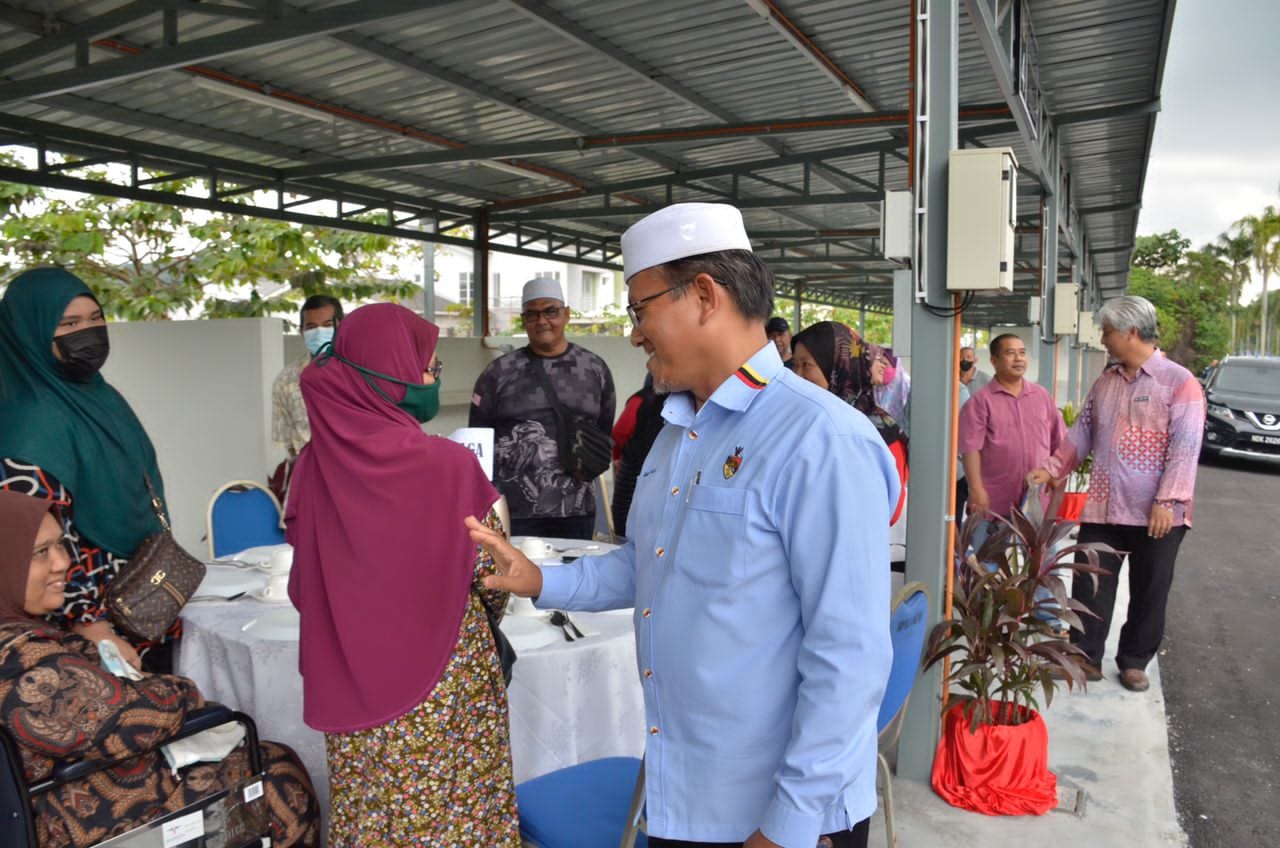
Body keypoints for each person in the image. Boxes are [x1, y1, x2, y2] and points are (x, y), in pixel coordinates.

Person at [467, 202, 898, 848]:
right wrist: (539, 580)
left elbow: (849, 657)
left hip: (777, 818)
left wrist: (788, 827)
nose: (635, 333)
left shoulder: (819, 440)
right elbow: (647, 562)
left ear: (703, 296)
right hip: (684, 797)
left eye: (641, 310)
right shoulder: (676, 432)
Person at [285, 303, 519, 846]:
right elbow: (494, 576)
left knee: (373, 820)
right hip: (443, 686)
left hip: (348, 681)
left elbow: (305, 586)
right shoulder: (450, 466)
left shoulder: (312, 466)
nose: (436, 378)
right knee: (458, 822)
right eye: (429, 366)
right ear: (388, 375)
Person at [0, 491, 320, 848]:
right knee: (277, 771)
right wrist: (182, 691)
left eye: (60, 545)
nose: (63, 562)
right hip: (84, 819)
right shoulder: (19, 660)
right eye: (41, 552)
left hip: (57, 797)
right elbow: (133, 721)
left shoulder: (19, 634)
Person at [0, 267, 178, 673]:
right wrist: (92, 625)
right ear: (29, 333)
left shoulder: (98, 396)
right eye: (69, 324)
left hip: (140, 598)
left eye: (95, 318)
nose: (90, 332)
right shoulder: (31, 427)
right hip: (89, 626)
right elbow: (39, 545)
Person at [1029, 296, 1205, 693]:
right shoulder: (1106, 381)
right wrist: (1054, 467)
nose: (1103, 339)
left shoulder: (1179, 382)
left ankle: (1133, 661)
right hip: (1105, 505)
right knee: (1090, 584)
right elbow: (1083, 432)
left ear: (1129, 332)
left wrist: (1168, 501)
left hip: (1156, 512)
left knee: (1150, 587)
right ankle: (1084, 657)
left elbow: (1186, 446)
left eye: (1107, 331)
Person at [470, 277, 616, 540]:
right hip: (514, 512)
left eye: (550, 311)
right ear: (524, 320)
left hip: (576, 509)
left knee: (574, 577)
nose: (542, 321)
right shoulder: (499, 373)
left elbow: (603, 433)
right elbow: (478, 440)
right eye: (532, 314)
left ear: (566, 314)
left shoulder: (594, 369)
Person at [790, 320, 909, 525]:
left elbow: (891, 509)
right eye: (794, 365)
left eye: (806, 365)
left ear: (838, 367)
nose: (796, 375)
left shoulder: (880, 431)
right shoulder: (798, 421)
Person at [959, 333, 1065, 524]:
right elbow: (970, 450)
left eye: (1022, 353)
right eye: (1010, 353)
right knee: (991, 553)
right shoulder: (980, 402)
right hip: (993, 503)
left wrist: (1055, 476)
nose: (1018, 358)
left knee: (1043, 554)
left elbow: (1060, 441)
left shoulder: (1042, 396)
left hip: (1036, 501)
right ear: (994, 360)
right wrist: (976, 490)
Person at [270, 294, 343, 503]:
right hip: (311, 484)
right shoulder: (286, 380)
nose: (319, 331)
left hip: (356, 478)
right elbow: (288, 442)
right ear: (301, 331)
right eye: (311, 326)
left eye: (327, 325)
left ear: (341, 325)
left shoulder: (359, 373)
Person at [610, 374, 668, 538]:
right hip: (646, 477)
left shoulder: (640, 400)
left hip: (632, 472)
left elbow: (619, 433)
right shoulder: (673, 405)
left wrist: (617, 457)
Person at [872, 345, 910, 435]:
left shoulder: (906, 387)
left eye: (885, 363)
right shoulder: (874, 388)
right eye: (879, 362)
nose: (881, 368)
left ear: (896, 368)